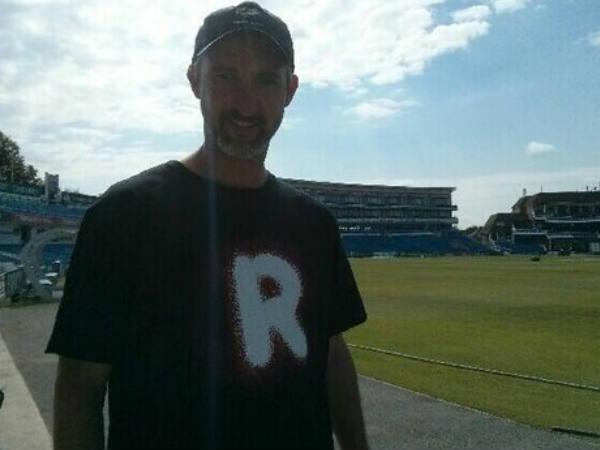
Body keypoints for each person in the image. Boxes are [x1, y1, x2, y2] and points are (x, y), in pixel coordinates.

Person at [46, 2, 368, 449]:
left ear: (289, 90)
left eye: (266, 80)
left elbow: (331, 353)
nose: (246, 103)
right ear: (195, 78)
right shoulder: (123, 215)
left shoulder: (315, 224)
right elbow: (81, 384)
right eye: (226, 75)